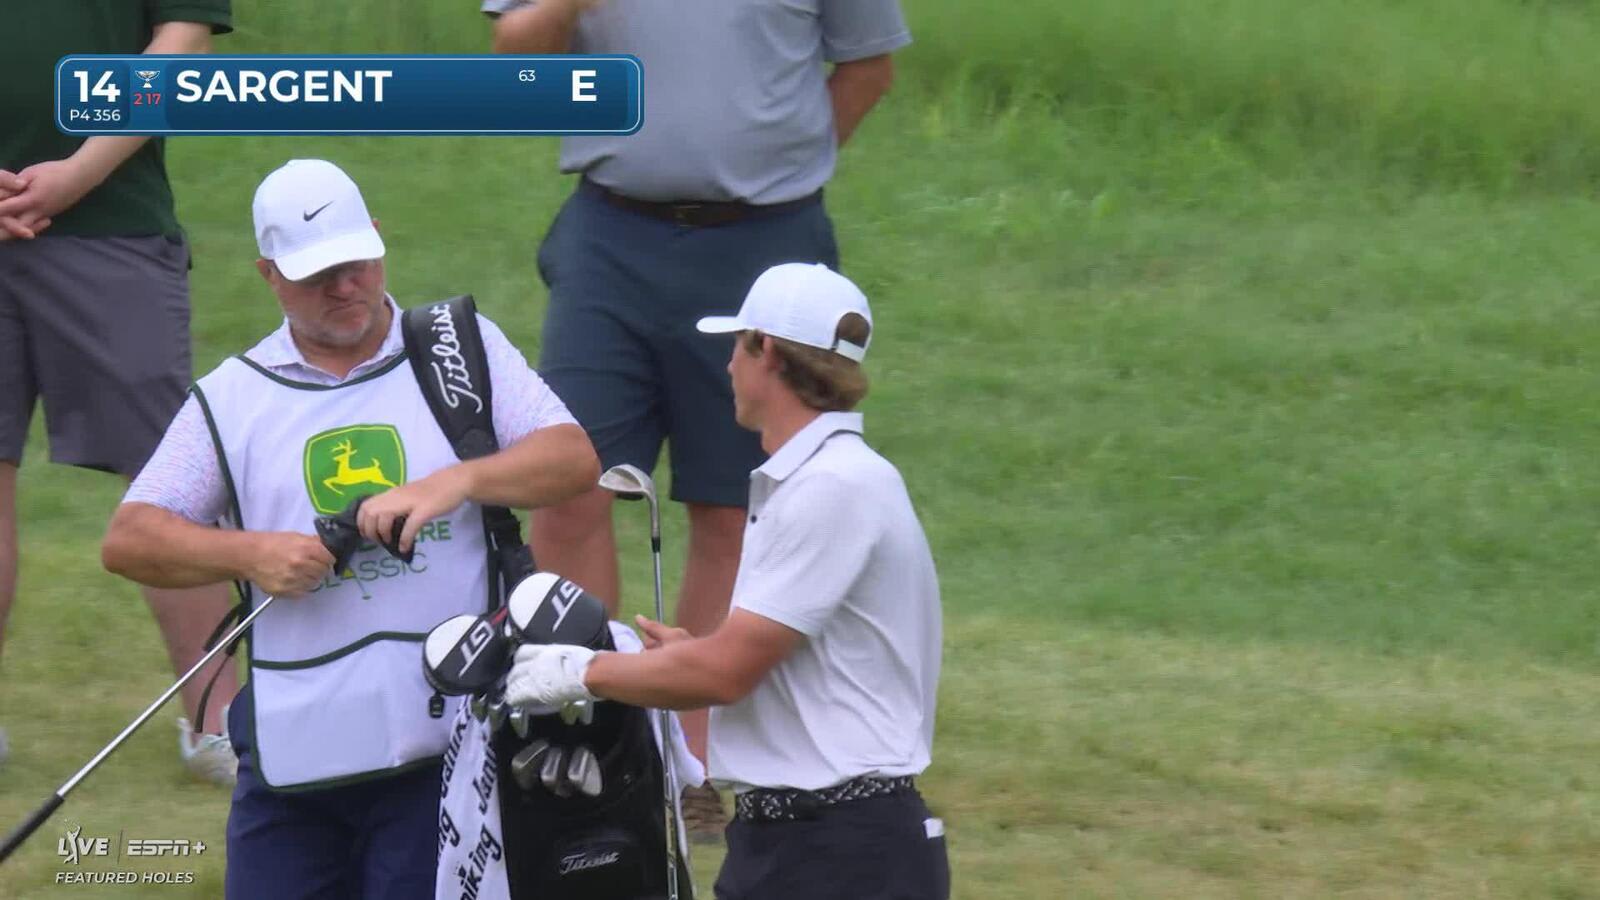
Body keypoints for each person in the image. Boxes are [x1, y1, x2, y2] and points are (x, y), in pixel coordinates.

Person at [100, 159, 600, 899]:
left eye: (356, 263)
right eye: (317, 275)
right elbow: (131, 538)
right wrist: (251, 554)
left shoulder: (458, 349)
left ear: (377, 239)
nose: (345, 287)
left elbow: (573, 458)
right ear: (269, 275)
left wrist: (455, 481)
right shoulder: (233, 399)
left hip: (447, 747)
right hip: (296, 754)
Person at [483, 0, 912, 838]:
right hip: (611, 232)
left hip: (764, 238)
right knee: (569, 482)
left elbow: (869, 67)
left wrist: (779, 165)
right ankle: (581, 736)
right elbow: (515, 60)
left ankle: (694, 766)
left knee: (731, 506)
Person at [504, 263, 948, 899]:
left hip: (843, 853)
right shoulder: (823, 479)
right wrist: (689, 656)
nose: (730, 366)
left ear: (768, 352)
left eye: (738, 346)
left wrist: (580, 671)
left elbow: (726, 674)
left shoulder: (832, 487)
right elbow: (770, 662)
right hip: (802, 841)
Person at [0, 0, 237, 781]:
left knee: (169, 476)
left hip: (112, 218)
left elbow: (184, 38)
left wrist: (80, 171)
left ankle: (218, 723)